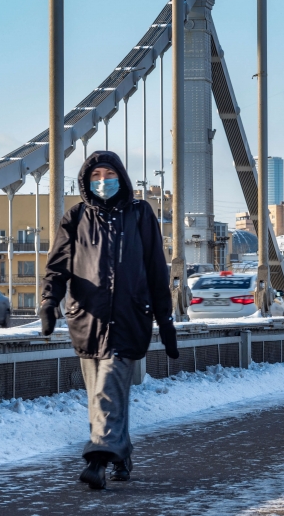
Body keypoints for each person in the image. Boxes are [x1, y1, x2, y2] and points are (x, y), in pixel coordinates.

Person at [39, 151, 180, 490]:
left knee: (107, 390)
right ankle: (122, 454)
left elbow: (156, 270)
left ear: (121, 177)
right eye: (96, 175)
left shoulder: (140, 214)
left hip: (130, 316)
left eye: (109, 174)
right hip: (87, 318)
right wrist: (48, 301)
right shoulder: (74, 217)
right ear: (87, 181)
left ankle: (98, 458)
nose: (103, 181)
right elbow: (57, 267)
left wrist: (166, 320)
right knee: (101, 395)